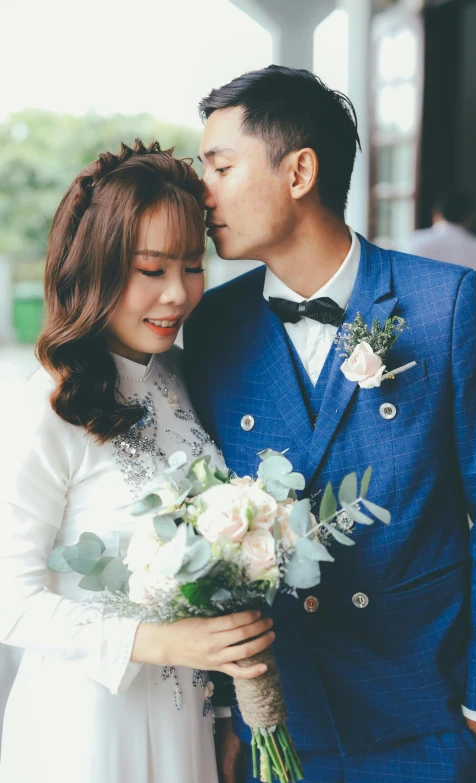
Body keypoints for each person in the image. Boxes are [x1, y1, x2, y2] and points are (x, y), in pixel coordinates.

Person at [183, 66, 476, 783]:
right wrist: (227, 714)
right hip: (278, 720)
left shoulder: (444, 305)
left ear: (299, 170)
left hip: (422, 715)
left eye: (219, 166)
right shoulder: (213, 325)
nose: (201, 191)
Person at [0, 140, 275, 783]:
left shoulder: (184, 376)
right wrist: (157, 643)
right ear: (94, 269)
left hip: (187, 722)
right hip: (88, 726)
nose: (177, 295)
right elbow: (9, 598)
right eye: (151, 270)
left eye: (191, 265)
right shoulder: (48, 406)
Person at [402, 191, 476, 295]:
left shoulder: (416, 241)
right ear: (469, 219)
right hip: (467, 308)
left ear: (436, 214)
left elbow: (403, 279)